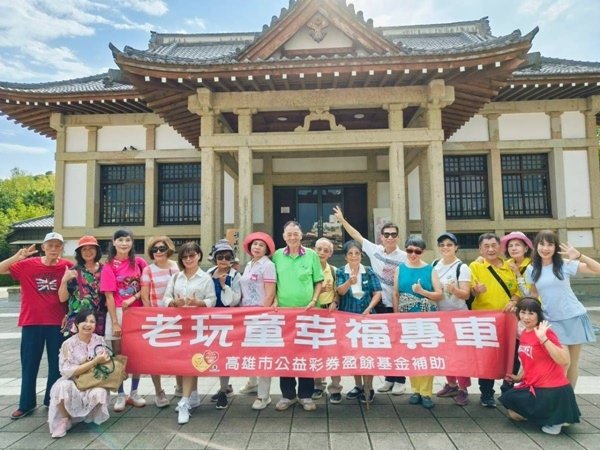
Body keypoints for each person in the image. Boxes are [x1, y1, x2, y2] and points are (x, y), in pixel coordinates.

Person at [333, 206, 408, 395]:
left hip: (395, 304)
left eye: (393, 235)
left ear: (398, 238)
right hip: (377, 306)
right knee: (382, 344)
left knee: (396, 343)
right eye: (386, 235)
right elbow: (356, 235)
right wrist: (342, 220)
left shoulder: (405, 257)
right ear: (381, 237)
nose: (390, 238)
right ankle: (389, 378)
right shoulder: (375, 250)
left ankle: (400, 379)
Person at [0, 232, 73, 419]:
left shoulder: (68, 267)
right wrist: (18, 256)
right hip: (32, 322)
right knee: (29, 364)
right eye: (50, 245)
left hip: (58, 323)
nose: (54, 249)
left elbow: (74, 295)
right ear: (43, 247)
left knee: (56, 365)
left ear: (62, 248)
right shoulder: (27, 265)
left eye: (58, 246)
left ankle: (52, 400)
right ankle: (26, 404)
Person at [525, 230, 600, 387]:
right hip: (551, 321)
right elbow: (533, 293)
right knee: (560, 363)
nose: (545, 248)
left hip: (573, 317)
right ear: (536, 246)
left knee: (572, 363)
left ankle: (569, 398)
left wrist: (579, 256)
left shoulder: (564, 264)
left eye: (550, 244)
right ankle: (559, 397)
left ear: (555, 247)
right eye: (542, 244)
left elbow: (597, 269)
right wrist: (528, 316)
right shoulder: (532, 269)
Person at [499, 297, 581, 435]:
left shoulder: (546, 332)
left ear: (539, 314)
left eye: (531, 313)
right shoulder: (525, 333)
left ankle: (554, 419)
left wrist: (544, 339)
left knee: (513, 410)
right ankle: (555, 416)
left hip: (551, 389)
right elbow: (528, 361)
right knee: (511, 408)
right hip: (535, 386)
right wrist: (518, 378)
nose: (526, 317)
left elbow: (564, 361)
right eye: (523, 312)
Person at [272, 221, 323, 412]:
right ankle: (287, 395)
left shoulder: (311, 256)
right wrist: (275, 300)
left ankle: (306, 395)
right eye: (289, 234)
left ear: (302, 235)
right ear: (284, 236)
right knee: (285, 354)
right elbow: (273, 282)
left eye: (296, 234)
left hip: (307, 313)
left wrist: (314, 299)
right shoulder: (277, 256)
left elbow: (318, 281)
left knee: (305, 354)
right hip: (283, 314)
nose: (292, 237)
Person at [163, 241, 217, 424]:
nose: (188, 259)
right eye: (184, 257)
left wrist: (198, 303)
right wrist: (173, 303)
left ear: (199, 256)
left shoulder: (205, 278)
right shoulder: (176, 277)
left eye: (191, 256)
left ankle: (185, 401)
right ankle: (192, 395)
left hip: (197, 326)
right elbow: (166, 297)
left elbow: (212, 300)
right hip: (178, 325)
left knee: (192, 360)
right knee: (185, 361)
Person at [469, 232, 520, 408]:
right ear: (480, 249)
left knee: (512, 355)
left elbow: (519, 289)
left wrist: (514, 300)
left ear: (500, 247)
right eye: (486, 246)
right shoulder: (475, 267)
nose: (490, 249)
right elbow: (469, 291)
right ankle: (486, 393)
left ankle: (508, 388)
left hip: (508, 320)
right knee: (487, 358)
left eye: (493, 245)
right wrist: (476, 290)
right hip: (485, 322)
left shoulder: (510, 267)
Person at [100, 229, 148, 412]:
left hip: (137, 313)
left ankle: (134, 392)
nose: (124, 243)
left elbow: (144, 287)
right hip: (117, 312)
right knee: (118, 354)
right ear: (113, 242)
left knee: (137, 353)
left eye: (127, 240)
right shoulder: (109, 266)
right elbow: (109, 297)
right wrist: (115, 322)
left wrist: (133, 297)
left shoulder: (140, 263)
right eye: (120, 239)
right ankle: (120, 393)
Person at [393, 235, 442, 409]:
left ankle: (426, 392)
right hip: (407, 317)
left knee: (427, 354)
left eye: (417, 251)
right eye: (409, 250)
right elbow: (396, 293)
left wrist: (422, 291)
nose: (413, 254)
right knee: (412, 353)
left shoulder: (430, 269)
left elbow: (439, 294)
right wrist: (396, 314)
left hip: (427, 316)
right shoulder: (400, 269)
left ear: (422, 252)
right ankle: (415, 389)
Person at [47, 310, 111, 438]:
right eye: (84, 321)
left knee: (100, 392)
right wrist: (94, 361)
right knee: (61, 387)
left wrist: (104, 359)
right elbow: (66, 370)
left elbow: (105, 363)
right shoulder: (68, 343)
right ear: (76, 324)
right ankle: (65, 419)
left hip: (92, 380)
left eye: (92, 322)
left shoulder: (99, 340)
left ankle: (88, 417)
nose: (88, 325)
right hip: (73, 380)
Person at [336, 240, 382, 404]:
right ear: (346, 256)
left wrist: (369, 307)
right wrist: (349, 281)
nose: (354, 256)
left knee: (368, 354)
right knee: (353, 353)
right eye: (350, 253)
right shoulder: (341, 272)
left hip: (367, 318)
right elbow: (340, 292)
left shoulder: (369, 271)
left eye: (357, 253)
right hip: (348, 319)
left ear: (361, 255)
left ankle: (369, 387)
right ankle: (358, 385)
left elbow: (377, 292)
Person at [238, 231, 277, 410]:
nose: (257, 247)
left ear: (267, 249)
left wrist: (262, 313)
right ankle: (252, 382)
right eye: (255, 244)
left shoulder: (267, 265)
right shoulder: (248, 265)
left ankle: (264, 395)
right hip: (246, 313)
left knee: (262, 354)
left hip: (261, 315)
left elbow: (270, 292)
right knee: (250, 351)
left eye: (261, 245)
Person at [432, 232, 472, 406]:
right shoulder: (434, 265)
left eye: (449, 244)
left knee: (460, 354)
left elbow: (466, 294)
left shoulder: (462, 267)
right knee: (445, 352)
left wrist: (454, 290)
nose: (445, 248)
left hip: (458, 316)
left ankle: (463, 388)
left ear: (456, 247)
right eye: (442, 245)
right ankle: (451, 384)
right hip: (440, 316)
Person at [140, 236, 179, 408]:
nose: (158, 252)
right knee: (154, 355)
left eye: (162, 249)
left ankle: (180, 385)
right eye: (155, 250)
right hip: (156, 316)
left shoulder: (176, 266)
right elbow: (144, 294)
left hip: (174, 316)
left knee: (178, 352)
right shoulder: (148, 270)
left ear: (168, 249)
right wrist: (150, 314)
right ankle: (158, 391)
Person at [207, 239, 242, 409]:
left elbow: (234, 300)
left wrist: (223, 285)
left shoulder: (235, 276)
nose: (223, 260)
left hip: (229, 320)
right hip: (209, 320)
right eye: (220, 256)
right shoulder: (208, 273)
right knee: (214, 354)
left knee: (225, 355)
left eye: (227, 257)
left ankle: (222, 390)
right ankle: (225, 387)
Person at [499, 231, 533, 393]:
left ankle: (529, 382)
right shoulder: (507, 264)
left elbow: (528, 294)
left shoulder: (532, 265)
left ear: (526, 248)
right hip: (514, 316)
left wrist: (518, 274)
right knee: (514, 351)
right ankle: (510, 383)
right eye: (510, 246)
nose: (513, 248)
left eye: (517, 245)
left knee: (529, 350)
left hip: (531, 315)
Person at [311, 237, 342, 403]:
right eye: (319, 249)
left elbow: (339, 290)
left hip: (330, 314)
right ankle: (318, 385)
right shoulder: (308, 269)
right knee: (316, 351)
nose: (322, 252)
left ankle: (335, 387)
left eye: (326, 250)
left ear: (331, 253)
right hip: (314, 314)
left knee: (333, 351)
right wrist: (321, 288)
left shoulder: (334, 270)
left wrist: (335, 301)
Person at [58, 236, 106, 338]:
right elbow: (62, 298)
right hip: (77, 320)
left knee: (96, 350)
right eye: (84, 249)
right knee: (75, 351)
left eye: (91, 248)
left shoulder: (105, 270)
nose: (88, 251)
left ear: (97, 250)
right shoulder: (74, 271)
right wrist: (64, 280)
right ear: (79, 252)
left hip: (98, 319)